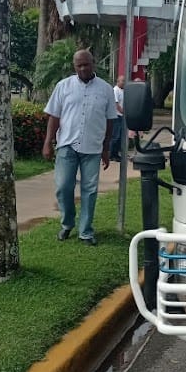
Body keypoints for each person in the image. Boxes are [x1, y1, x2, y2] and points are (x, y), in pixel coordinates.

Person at [42, 49, 117, 246]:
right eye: (79, 65)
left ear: (93, 63)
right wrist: (48, 142)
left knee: (89, 190)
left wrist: (106, 148)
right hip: (67, 146)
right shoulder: (63, 86)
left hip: (92, 148)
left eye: (86, 64)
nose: (83, 68)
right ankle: (67, 223)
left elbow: (110, 121)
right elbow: (54, 116)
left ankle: (86, 231)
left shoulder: (106, 89)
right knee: (63, 186)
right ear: (74, 67)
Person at [109, 74, 126, 162]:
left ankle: (116, 154)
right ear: (118, 81)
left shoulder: (123, 91)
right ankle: (111, 154)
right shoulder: (116, 90)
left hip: (122, 116)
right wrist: (123, 111)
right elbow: (116, 104)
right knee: (115, 136)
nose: (123, 82)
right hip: (116, 116)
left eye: (124, 81)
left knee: (120, 137)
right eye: (122, 81)